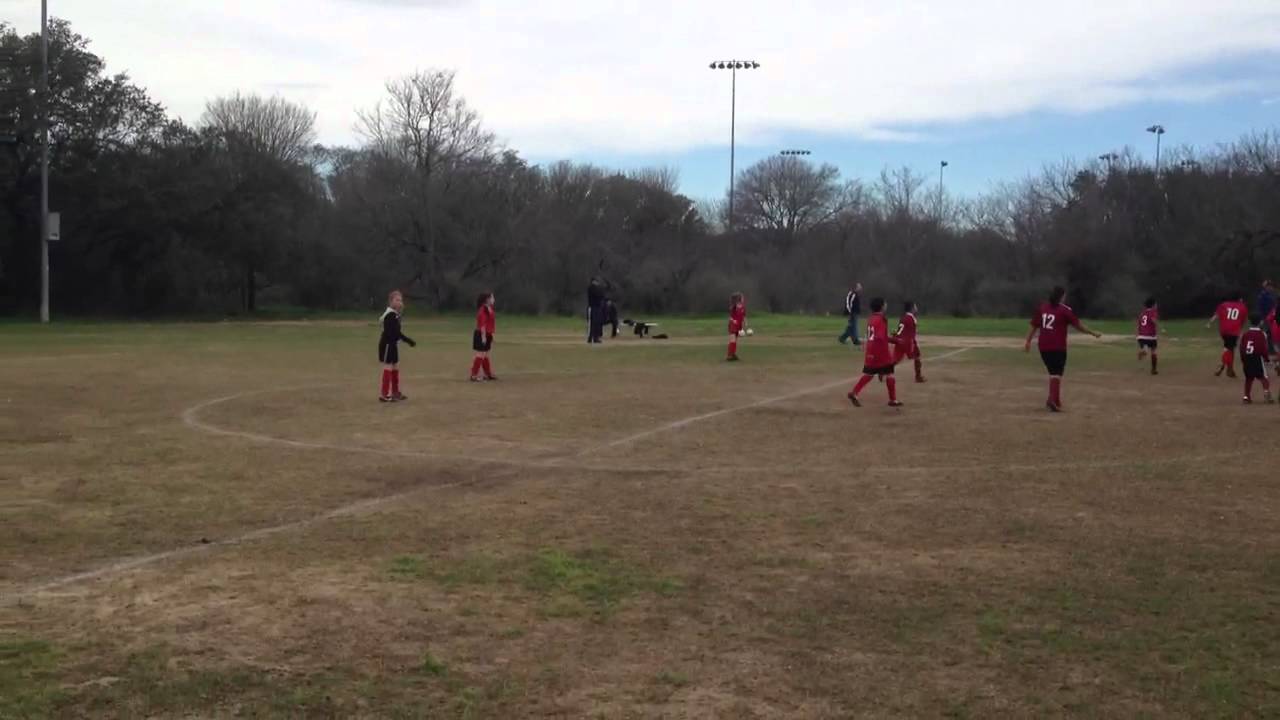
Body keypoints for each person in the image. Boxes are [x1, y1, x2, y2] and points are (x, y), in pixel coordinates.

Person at [1024, 286, 1102, 412]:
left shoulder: (1043, 307)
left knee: (1053, 373)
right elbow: (1078, 325)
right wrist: (1093, 333)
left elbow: (1034, 325)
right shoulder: (1064, 310)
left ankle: (1055, 400)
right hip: (1057, 346)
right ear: (1062, 296)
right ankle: (1053, 400)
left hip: (1043, 346)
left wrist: (1027, 341)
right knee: (1057, 373)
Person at [848, 297, 901, 407]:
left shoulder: (871, 318)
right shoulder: (881, 319)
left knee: (869, 373)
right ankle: (893, 400)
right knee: (889, 374)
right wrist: (894, 340)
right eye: (885, 303)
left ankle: (854, 393)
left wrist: (892, 340)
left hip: (870, 349)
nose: (886, 305)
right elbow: (881, 337)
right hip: (880, 351)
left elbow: (875, 335)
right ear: (881, 306)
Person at [378, 290, 416, 402]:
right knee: (388, 367)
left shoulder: (395, 314)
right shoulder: (390, 315)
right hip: (388, 345)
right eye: (397, 300)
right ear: (391, 301)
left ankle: (395, 392)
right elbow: (395, 333)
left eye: (400, 300)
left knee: (395, 367)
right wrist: (408, 340)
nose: (399, 302)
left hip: (393, 345)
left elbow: (397, 331)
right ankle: (384, 394)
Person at [1207, 292, 1248, 378]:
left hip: (1224, 330)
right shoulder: (1242, 306)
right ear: (1239, 299)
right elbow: (1243, 321)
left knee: (1229, 348)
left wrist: (1209, 323)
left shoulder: (1224, 305)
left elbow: (1216, 315)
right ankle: (1222, 364)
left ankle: (1230, 369)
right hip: (1234, 331)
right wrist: (1240, 330)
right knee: (1229, 349)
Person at [1240, 315, 1272, 404]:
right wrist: (1266, 359)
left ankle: (1246, 396)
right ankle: (1267, 394)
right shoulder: (1261, 334)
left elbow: (1242, 348)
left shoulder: (1245, 334)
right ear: (1260, 322)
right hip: (1257, 357)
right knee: (1263, 377)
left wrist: (1243, 359)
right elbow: (1263, 348)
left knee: (1249, 378)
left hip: (1247, 357)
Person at [892, 300, 925, 383]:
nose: (916, 308)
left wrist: (895, 335)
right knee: (917, 356)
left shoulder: (903, 317)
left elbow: (900, 330)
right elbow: (911, 332)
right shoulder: (911, 318)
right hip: (909, 342)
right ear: (912, 308)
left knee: (896, 359)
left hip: (900, 341)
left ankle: (883, 371)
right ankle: (918, 376)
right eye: (915, 306)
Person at [469, 292, 498, 382]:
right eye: (492, 298)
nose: (494, 300)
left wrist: (491, 335)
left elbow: (490, 323)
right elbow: (482, 325)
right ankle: (473, 375)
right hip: (481, 334)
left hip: (488, 334)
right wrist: (484, 337)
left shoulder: (489, 309)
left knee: (485, 355)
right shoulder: (482, 310)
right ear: (487, 299)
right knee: (480, 354)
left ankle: (488, 374)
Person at [1136, 297, 1160, 376]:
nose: (1156, 305)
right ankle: (1153, 369)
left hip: (1141, 336)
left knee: (1146, 351)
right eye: (1155, 304)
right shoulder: (1153, 311)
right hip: (1151, 336)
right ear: (1153, 305)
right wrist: (1158, 326)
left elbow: (1139, 324)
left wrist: (1138, 334)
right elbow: (1153, 320)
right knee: (1154, 352)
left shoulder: (1142, 313)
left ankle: (1143, 352)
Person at [586, 276, 610, 344]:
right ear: (593, 281)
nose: (597, 283)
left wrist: (604, 288)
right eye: (596, 281)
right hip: (593, 307)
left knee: (596, 323)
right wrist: (602, 289)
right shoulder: (591, 288)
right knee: (593, 323)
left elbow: (602, 295)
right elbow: (599, 294)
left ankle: (594, 337)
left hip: (597, 307)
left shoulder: (596, 288)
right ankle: (591, 338)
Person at [727, 292, 747, 362]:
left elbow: (744, 316)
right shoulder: (734, 307)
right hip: (733, 325)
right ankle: (729, 355)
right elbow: (730, 317)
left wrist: (745, 323)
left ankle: (733, 354)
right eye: (742, 297)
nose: (743, 298)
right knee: (732, 340)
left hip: (739, 326)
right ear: (739, 299)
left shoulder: (743, 307)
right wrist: (733, 321)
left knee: (735, 341)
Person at [1258, 280, 1276, 353]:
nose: (1271, 288)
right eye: (1269, 286)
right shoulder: (1263, 295)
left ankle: (1270, 349)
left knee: (1271, 334)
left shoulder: (1271, 295)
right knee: (1267, 333)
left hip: (1271, 317)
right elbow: (1261, 308)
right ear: (1266, 287)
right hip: (1266, 317)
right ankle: (1266, 349)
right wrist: (1262, 318)